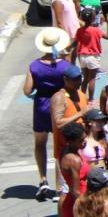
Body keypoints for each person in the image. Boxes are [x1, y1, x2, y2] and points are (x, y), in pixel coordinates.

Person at [25, 27, 71, 200]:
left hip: (41, 105)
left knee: (40, 143)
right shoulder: (65, 65)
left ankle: (43, 179)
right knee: (60, 145)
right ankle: (59, 187)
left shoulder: (34, 65)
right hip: (60, 105)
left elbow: (27, 90)